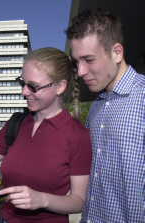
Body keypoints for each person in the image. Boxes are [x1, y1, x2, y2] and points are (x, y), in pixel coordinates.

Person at [0, 47, 92, 223]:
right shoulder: (16, 123)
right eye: (22, 83)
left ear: (60, 87)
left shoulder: (78, 135)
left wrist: (43, 200)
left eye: (33, 86)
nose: (24, 92)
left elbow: (79, 201)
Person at [66, 9, 145, 222]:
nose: (80, 72)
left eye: (88, 59)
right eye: (77, 62)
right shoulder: (96, 108)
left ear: (117, 52)